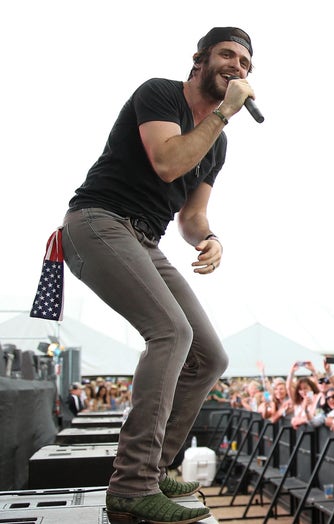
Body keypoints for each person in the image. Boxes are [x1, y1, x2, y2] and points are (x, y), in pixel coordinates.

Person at [59, 26, 256, 524]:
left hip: (145, 238)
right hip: (98, 222)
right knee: (171, 332)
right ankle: (132, 484)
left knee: (210, 355)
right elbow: (167, 162)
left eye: (246, 63)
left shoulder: (218, 143)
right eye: (228, 56)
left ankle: (158, 463)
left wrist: (210, 238)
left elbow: (191, 218)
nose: (238, 67)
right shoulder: (160, 93)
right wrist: (225, 113)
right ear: (201, 60)